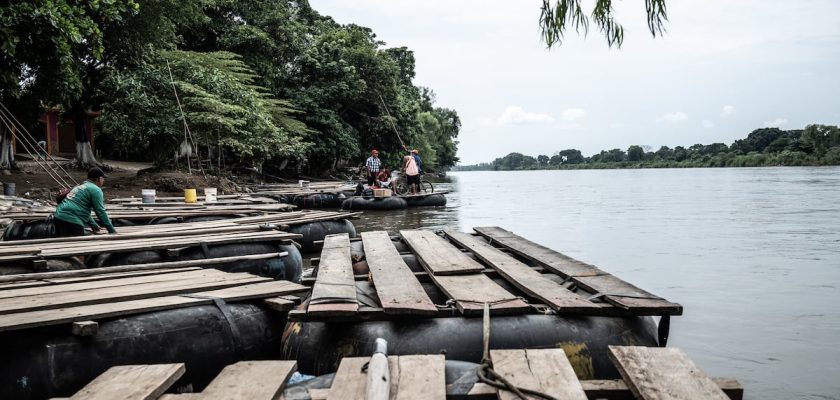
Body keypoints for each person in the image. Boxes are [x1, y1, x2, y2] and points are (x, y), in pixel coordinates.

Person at [54, 167, 117, 237]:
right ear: (98, 178)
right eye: (103, 178)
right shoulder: (96, 190)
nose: (104, 180)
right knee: (75, 245)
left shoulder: (80, 186)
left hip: (58, 216)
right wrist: (112, 230)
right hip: (72, 220)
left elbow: (81, 209)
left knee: (62, 244)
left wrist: (94, 225)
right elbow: (100, 211)